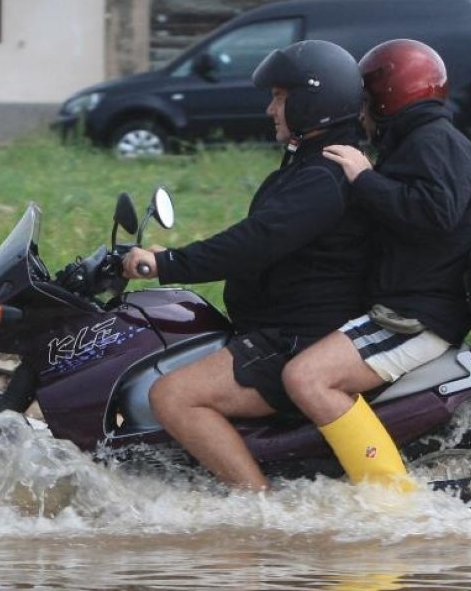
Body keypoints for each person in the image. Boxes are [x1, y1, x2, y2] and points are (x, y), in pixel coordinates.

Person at [121, 40, 370, 491]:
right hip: (279, 328)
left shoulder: (323, 176)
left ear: (313, 99)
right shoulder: (314, 163)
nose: (271, 108)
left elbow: (254, 243)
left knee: (173, 396)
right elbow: (260, 235)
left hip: (295, 338)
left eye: (280, 96)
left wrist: (164, 264)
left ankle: (258, 509)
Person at [282, 39, 471, 488]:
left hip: (415, 315)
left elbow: (433, 214)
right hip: (415, 307)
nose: (360, 113)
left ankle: (390, 503)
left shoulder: (433, 142)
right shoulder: (421, 141)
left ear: (385, 98)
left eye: (364, 102)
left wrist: (364, 178)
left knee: (308, 378)